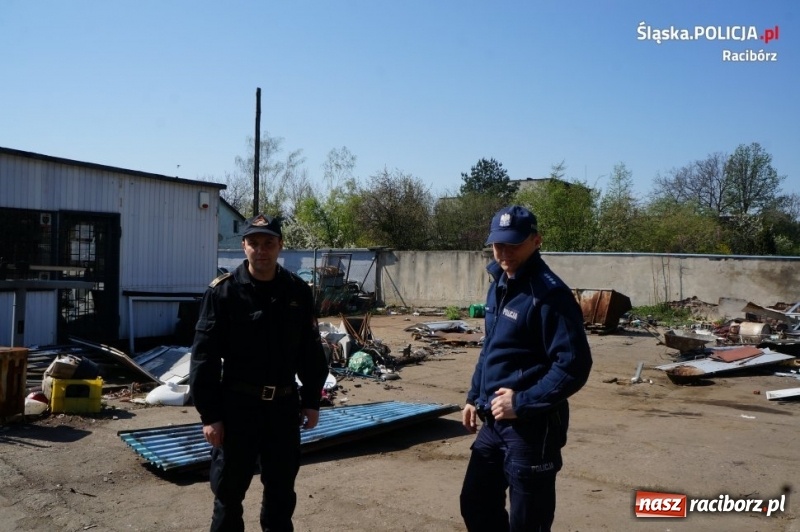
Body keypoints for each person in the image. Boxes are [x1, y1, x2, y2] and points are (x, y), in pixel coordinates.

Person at [189, 213, 329, 532]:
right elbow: (204, 358)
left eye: (268, 243)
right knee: (228, 494)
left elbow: (310, 351)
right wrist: (210, 415)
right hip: (237, 407)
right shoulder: (223, 292)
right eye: (254, 243)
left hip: (282, 407)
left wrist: (312, 400)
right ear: (244, 246)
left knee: (281, 494)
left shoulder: (297, 291)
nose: (261, 250)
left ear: (280, 246)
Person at [460, 205, 593, 532]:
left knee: (527, 522)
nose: (504, 252)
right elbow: (491, 347)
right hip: (494, 420)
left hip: (533, 429)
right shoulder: (500, 284)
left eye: (513, 244)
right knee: (475, 502)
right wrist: (473, 396)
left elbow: (574, 364)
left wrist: (522, 402)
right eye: (497, 244)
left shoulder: (549, 295)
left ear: (536, 241)